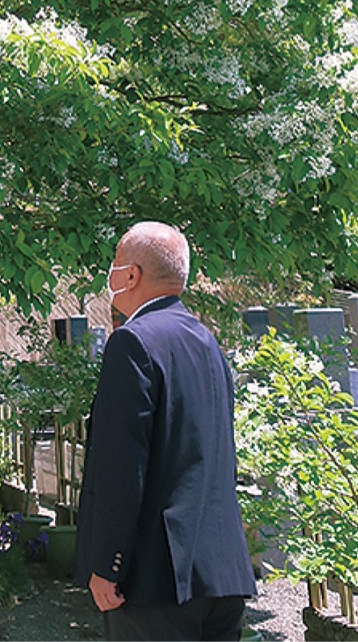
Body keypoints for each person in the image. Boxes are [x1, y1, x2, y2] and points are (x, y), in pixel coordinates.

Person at [74, 221, 255, 641]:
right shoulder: (210, 345)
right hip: (223, 572)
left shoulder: (132, 343)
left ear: (132, 275)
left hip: (155, 580)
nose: (112, 279)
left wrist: (108, 564)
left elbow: (122, 465)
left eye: (115, 268)